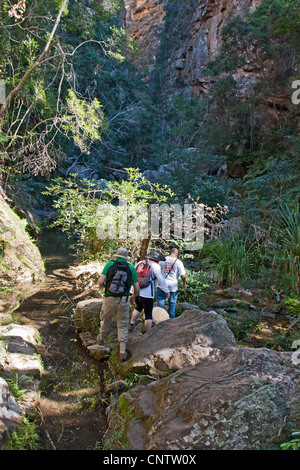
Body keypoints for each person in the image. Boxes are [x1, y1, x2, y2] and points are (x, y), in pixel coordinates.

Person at [97, 247, 140, 362]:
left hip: (109, 299)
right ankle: (122, 351)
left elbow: (100, 282)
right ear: (126, 258)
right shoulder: (131, 268)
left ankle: (101, 339)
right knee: (122, 324)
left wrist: (104, 288)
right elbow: (137, 288)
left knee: (105, 319)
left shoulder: (109, 265)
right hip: (123, 300)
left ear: (116, 256)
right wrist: (133, 297)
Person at [130, 250, 170, 333]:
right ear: (157, 259)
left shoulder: (140, 263)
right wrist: (166, 291)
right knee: (148, 314)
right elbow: (160, 279)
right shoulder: (155, 266)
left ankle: (131, 323)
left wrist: (132, 290)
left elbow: (133, 274)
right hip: (147, 294)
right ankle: (148, 334)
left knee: (138, 307)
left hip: (137, 291)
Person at [156, 247, 187, 318]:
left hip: (163, 284)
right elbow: (183, 275)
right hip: (173, 286)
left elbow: (157, 271)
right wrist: (184, 283)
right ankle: (171, 319)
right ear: (177, 254)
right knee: (172, 303)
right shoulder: (178, 262)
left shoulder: (162, 260)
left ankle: (160, 317)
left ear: (170, 252)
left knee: (160, 299)